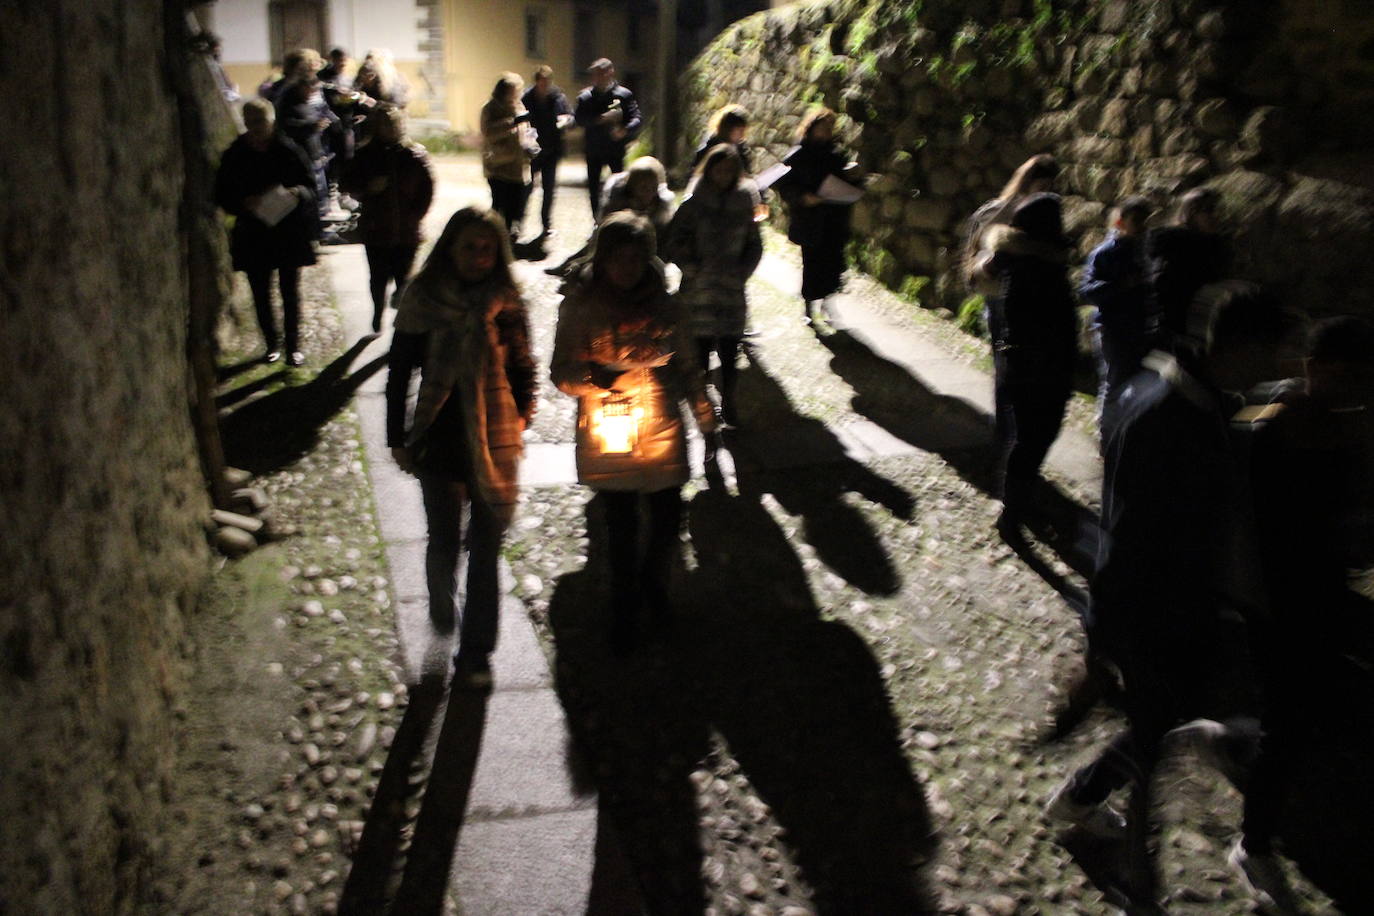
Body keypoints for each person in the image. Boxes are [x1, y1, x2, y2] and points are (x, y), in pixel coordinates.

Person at [1045, 284, 1292, 908]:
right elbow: (1131, 528)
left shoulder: (1176, 396)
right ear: (1240, 347)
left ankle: (1082, 804)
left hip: (1167, 606)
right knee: (1154, 732)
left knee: (1155, 725)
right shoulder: (1173, 415)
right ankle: (1129, 864)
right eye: (1273, 352)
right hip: (1156, 609)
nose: (1279, 367)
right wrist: (1109, 628)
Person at [1233, 316, 1374, 911]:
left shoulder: (1350, 429)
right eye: (1340, 374)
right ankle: (1255, 840)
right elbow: (1238, 513)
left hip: (1322, 590)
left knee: (1305, 712)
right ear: (1314, 368)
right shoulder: (1268, 426)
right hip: (1277, 595)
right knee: (1286, 721)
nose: (1349, 388)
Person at [550, 213, 718, 655]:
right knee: (620, 528)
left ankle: (653, 585)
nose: (626, 268)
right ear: (602, 260)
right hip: (611, 432)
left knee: (666, 522)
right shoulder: (582, 307)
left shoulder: (667, 306)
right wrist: (594, 377)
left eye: (634, 258)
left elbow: (688, 367)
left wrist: (705, 415)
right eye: (617, 259)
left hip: (662, 426)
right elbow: (561, 372)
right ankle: (624, 603)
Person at [386, 207, 537, 687]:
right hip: (442, 437)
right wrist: (397, 435)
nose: (478, 256)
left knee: (487, 547)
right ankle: (439, 597)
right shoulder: (424, 299)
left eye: (487, 248)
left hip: (496, 438)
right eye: (469, 246)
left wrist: (519, 416)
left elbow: (523, 365)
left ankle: (476, 654)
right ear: (449, 247)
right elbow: (400, 371)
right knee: (446, 540)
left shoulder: (506, 302)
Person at [977, 193, 1077, 529]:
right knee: (1031, 439)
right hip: (1037, 367)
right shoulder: (1030, 265)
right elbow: (1036, 319)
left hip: (1036, 365)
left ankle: (1019, 503)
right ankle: (1013, 512)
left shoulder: (1029, 260)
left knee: (1032, 439)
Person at [214, 99, 317, 366]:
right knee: (260, 292)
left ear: (271, 121)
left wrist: (296, 193)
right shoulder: (235, 155)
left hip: (287, 231)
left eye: (260, 121)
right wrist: (242, 203)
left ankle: (293, 346)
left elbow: (310, 186)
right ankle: (272, 344)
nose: (255, 128)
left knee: (290, 291)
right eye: (250, 122)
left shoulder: (288, 150)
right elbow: (221, 194)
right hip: (254, 233)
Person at [665, 144, 763, 427]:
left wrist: (743, 271)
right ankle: (702, 406)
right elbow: (674, 241)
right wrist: (690, 265)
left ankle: (729, 400)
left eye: (730, 170)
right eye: (719, 169)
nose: (724, 175)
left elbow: (754, 244)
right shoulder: (694, 205)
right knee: (699, 353)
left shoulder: (744, 205)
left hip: (731, 291)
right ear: (709, 171)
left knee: (730, 351)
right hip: (699, 291)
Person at [339, 107, 435, 332]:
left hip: (406, 229)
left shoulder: (414, 155)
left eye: (394, 124)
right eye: (385, 124)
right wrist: (367, 188)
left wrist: (415, 216)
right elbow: (347, 183)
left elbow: (427, 190)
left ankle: (403, 321)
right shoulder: (366, 154)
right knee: (378, 277)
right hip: (376, 228)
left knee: (404, 279)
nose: (390, 129)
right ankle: (377, 311)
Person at [774, 107, 862, 325]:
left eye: (828, 128)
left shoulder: (836, 155)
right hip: (810, 220)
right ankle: (808, 306)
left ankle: (827, 302)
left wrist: (855, 179)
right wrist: (803, 198)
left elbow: (847, 183)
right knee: (812, 264)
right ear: (811, 128)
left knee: (832, 263)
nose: (825, 132)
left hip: (833, 219)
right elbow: (784, 184)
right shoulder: (798, 155)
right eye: (821, 128)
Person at [1081, 196, 1154, 434]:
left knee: (1136, 382)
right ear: (1121, 222)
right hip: (1112, 326)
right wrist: (1123, 284)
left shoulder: (1146, 252)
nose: (1143, 225)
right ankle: (1106, 435)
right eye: (1137, 220)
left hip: (1139, 325)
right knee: (1114, 382)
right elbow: (1088, 291)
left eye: (1146, 220)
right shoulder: (1104, 253)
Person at [545, 156, 674, 280]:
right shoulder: (618, 198)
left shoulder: (660, 205)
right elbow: (605, 227)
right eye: (643, 188)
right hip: (615, 240)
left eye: (652, 188)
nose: (648, 193)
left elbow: (661, 238)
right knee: (592, 252)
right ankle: (569, 266)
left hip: (644, 247)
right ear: (632, 186)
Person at [963, 153, 1060, 297]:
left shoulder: (1047, 215)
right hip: (998, 293)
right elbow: (976, 253)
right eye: (1042, 187)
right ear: (1028, 183)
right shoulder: (995, 212)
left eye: (1050, 187)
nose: (1046, 193)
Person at [1147, 186, 1230, 349]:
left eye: (1217, 210)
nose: (1216, 216)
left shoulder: (1213, 246)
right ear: (1192, 212)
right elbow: (1163, 290)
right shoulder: (1173, 245)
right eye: (1210, 210)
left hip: (1206, 326)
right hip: (1180, 329)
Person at [573, 58, 642, 221]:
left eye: (600, 74)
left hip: (615, 149)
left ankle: (619, 216)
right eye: (595, 74)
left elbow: (637, 117)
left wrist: (625, 130)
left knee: (619, 185)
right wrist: (599, 119)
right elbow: (578, 119)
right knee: (593, 188)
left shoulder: (623, 95)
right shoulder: (586, 97)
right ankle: (597, 220)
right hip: (594, 149)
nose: (597, 77)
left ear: (610, 73)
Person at [273, 64, 339, 227]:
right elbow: (287, 127)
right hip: (302, 157)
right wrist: (311, 126)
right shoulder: (289, 105)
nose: (313, 94)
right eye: (311, 90)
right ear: (302, 88)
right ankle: (315, 228)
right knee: (312, 196)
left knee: (321, 195)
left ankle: (322, 226)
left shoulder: (308, 103)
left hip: (316, 155)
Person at [480, 72, 539, 245]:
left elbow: (526, 129)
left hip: (520, 168)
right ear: (504, 90)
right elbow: (489, 133)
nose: (518, 94)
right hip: (499, 167)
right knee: (500, 208)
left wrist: (532, 144)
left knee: (518, 207)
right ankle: (497, 240)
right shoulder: (491, 108)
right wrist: (512, 121)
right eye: (515, 90)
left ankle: (510, 237)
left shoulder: (519, 105)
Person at [521, 65, 573, 237]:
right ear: (536, 81)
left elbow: (569, 115)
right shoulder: (527, 98)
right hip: (532, 151)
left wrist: (566, 120)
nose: (545, 84)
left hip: (552, 149)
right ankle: (519, 222)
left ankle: (546, 223)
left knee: (549, 188)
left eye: (548, 81)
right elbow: (520, 119)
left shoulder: (557, 97)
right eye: (542, 81)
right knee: (527, 188)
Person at [690, 104, 754, 173]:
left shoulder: (742, 149)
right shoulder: (710, 147)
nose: (742, 135)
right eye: (739, 130)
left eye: (743, 130)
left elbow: (747, 170)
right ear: (727, 128)